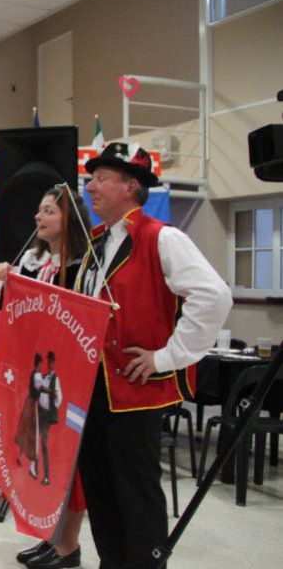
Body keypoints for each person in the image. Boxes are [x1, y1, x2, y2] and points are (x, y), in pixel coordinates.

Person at [77, 143, 232, 568]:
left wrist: (167, 357)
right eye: (92, 179)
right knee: (101, 488)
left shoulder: (162, 237)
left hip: (136, 392)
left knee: (136, 490)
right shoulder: (97, 243)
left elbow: (214, 296)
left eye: (101, 179)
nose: (91, 186)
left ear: (130, 187)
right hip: (93, 391)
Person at [0, 185, 90, 569]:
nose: (38, 217)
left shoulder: (81, 265)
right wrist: (10, 280)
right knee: (38, 456)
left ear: (68, 219)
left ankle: (69, 546)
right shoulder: (37, 264)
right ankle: (51, 538)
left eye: (48, 211)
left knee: (67, 464)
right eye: (40, 209)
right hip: (39, 374)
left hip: (69, 380)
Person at [35, 351, 62, 486]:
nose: (50, 363)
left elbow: (59, 398)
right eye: (49, 361)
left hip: (46, 415)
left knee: (43, 443)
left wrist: (52, 404)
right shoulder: (43, 377)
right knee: (33, 439)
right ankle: (31, 469)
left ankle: (46, 476)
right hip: (39, 412)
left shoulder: (55, 378)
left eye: (52, 361)